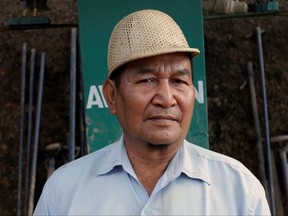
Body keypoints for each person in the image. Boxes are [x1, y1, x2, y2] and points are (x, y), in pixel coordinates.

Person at [34, 9, 270, 215]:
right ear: (112, 96)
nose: (167, 99)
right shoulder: (64, 191)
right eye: (147, 80)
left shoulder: (239, 190)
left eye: (179, 81)